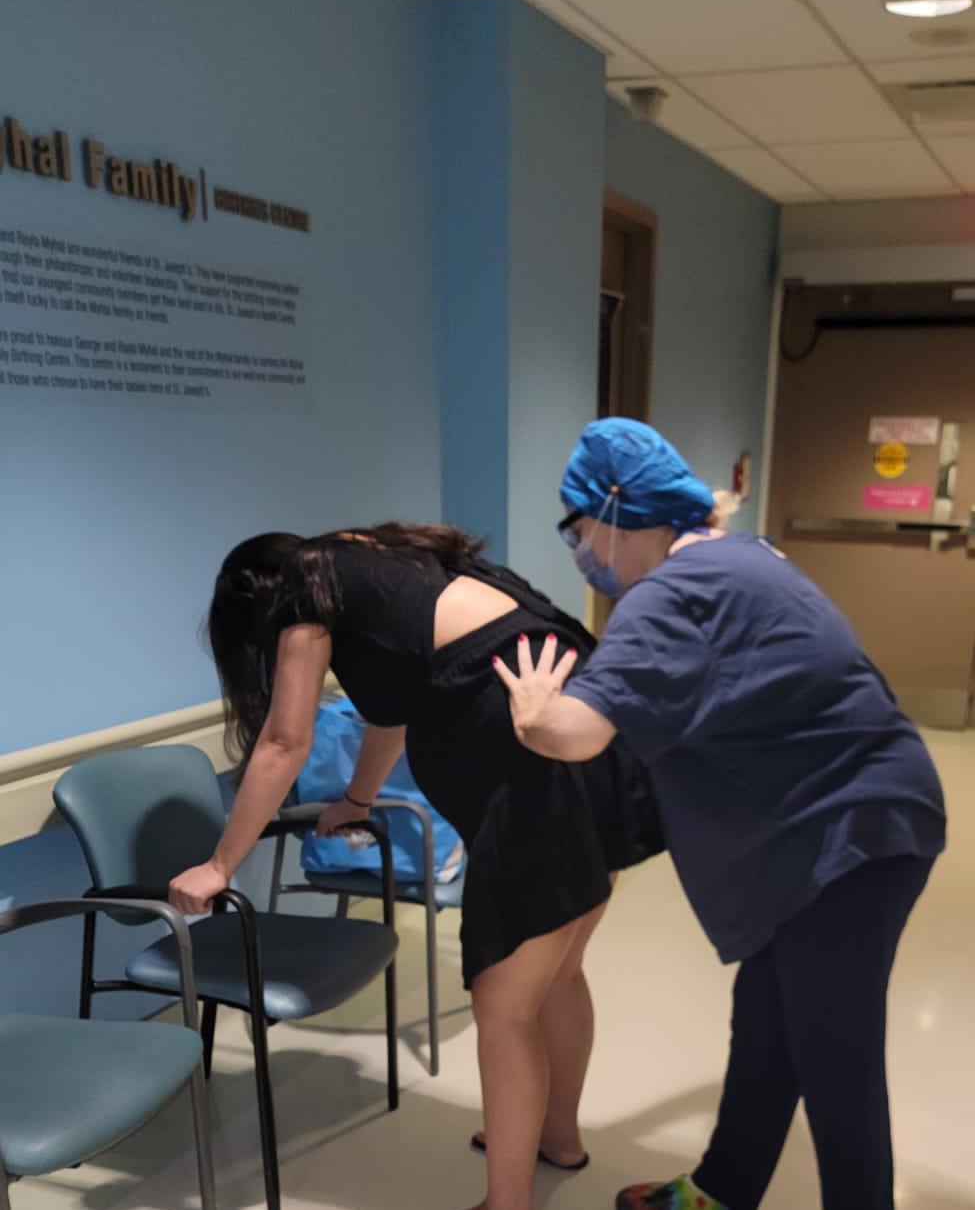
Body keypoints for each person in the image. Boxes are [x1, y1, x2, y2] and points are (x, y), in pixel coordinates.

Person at [494, 417, 947, 1210]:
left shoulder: (669, 594)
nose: (579, 551)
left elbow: (574, 732)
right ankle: (722, 1187)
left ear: (611, 509)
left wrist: (533, 711)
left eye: (575, 529)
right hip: (853, 812)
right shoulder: (743, 553)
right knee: (768, 1015)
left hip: (846, 834)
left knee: (833, 1056)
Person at [168, 523, 662, 1210]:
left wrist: (221, 864)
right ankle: (556, 1136)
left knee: (504, 1004)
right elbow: (391, 714)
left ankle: (507, 1200)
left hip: (536, 777)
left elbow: (284, 739)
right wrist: (357, 799)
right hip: (591, 734)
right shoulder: (386, 565)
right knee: (558, 972)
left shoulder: (303, 596)